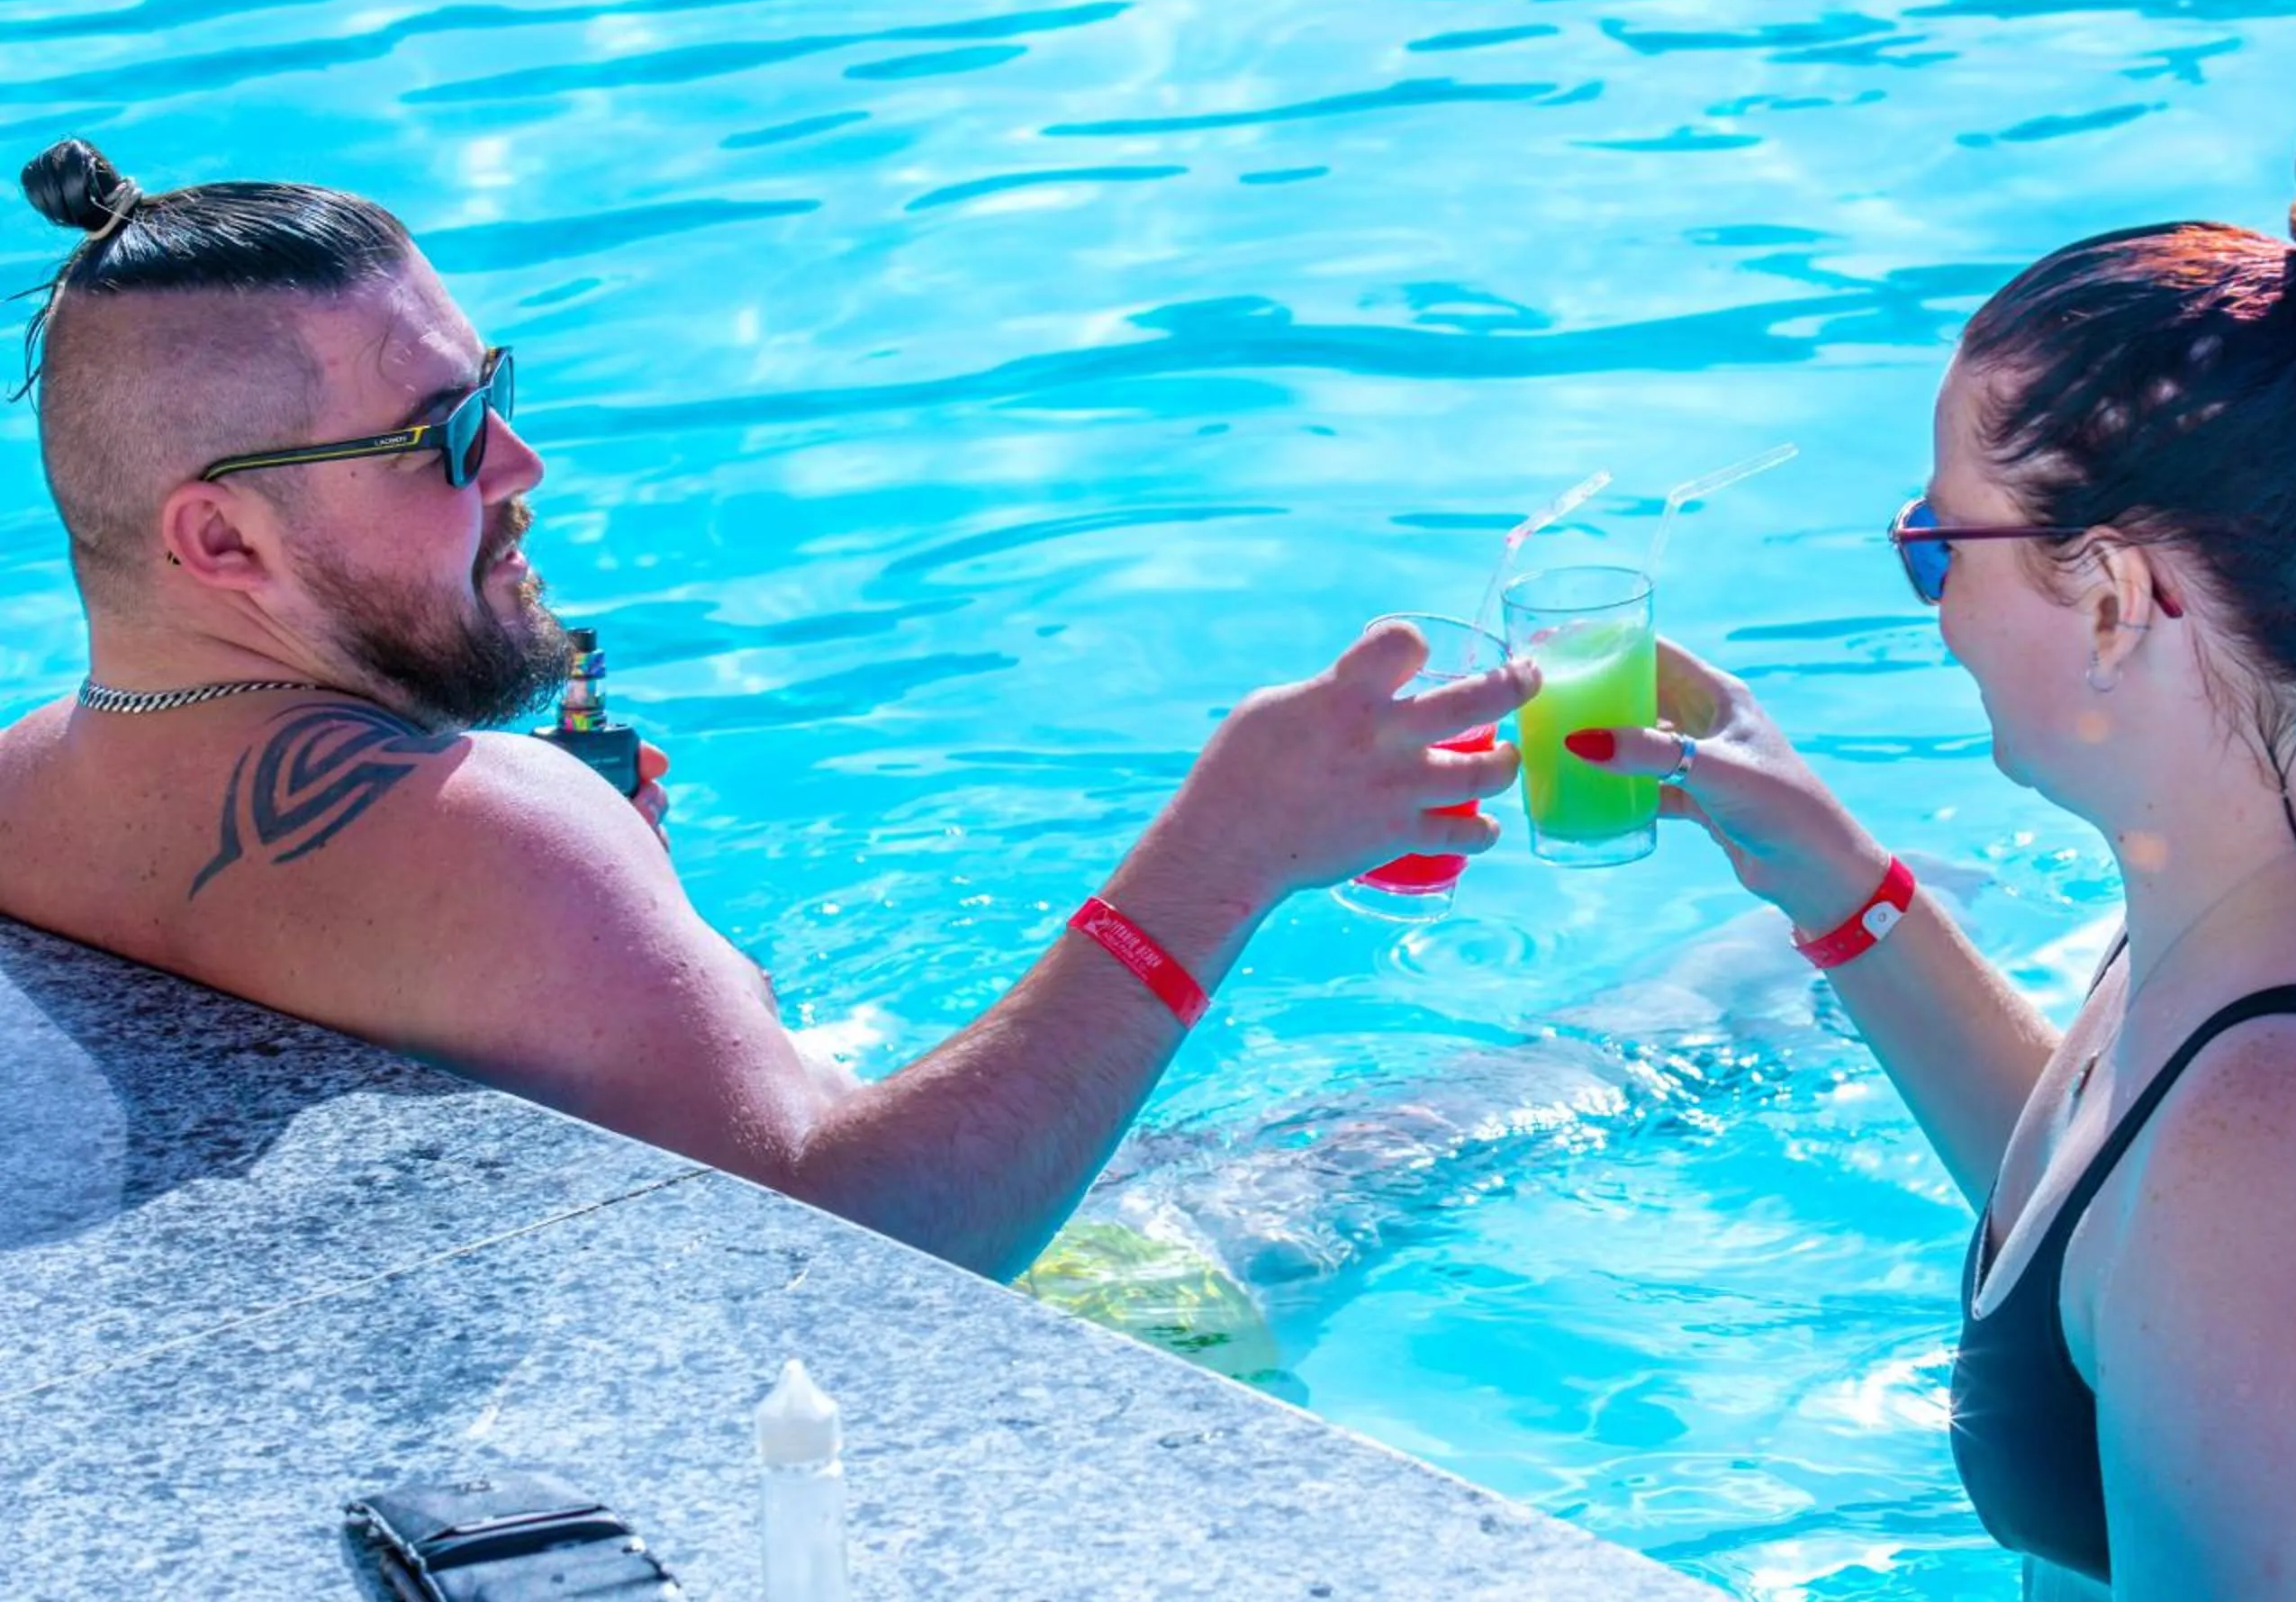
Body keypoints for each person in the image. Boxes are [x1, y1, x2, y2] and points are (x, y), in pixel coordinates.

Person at [0, 140, 1534, 1282]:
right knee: (1558, 1087)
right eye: (444, 434)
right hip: (1040, 1331)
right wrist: (1226, 855)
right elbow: (849, 1257)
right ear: (219, 542)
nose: (520, 466)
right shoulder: (489, 833)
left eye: (499, 390)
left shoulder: (29, 790)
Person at [1562, 113, 2296, 1597]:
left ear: (2110, 599)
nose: (1934, 607)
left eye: (1933, 546)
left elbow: (2230, 1224)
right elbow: (2119, 1234)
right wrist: (1829, 880)